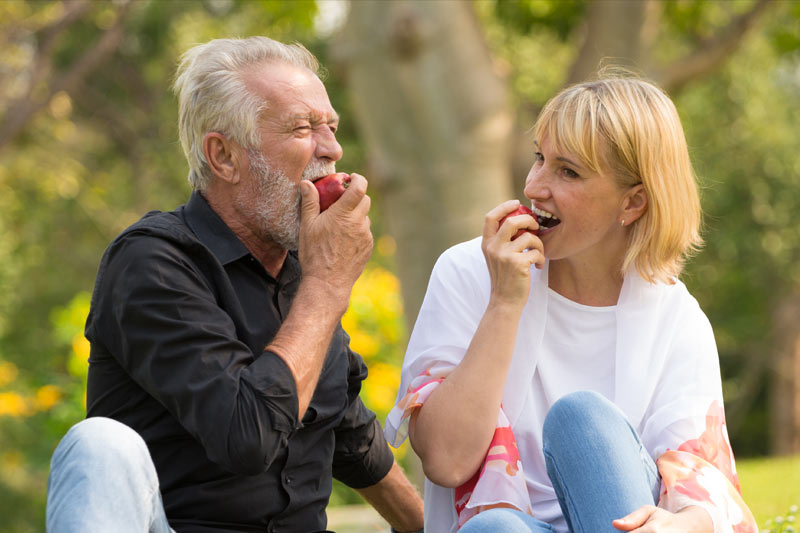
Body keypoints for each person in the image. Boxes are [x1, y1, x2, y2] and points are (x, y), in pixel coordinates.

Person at [45, 36, 424, 533]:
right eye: (302, 129)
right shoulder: (152, 263)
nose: (331, 149)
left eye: (330, 126)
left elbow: (351, 437)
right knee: (99, 445)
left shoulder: (302, 271)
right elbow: (247, 436)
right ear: (223, 156)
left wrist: (436, 526)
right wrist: (328, 285)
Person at [384, 75, 757, 533]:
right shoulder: (469, 273)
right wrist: (504, 302)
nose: (535, 186)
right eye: (540, 157)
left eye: (568, 172)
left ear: (633, 202)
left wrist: (679, 526)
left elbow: (703, 491)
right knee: (494, 530)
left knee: (584, 423)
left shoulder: (677, 318)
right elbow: (446, 461)